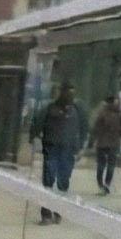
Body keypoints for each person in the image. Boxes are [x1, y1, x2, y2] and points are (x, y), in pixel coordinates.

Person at [33, 82, 84, 223]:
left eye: (72, 93)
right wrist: (36, 138)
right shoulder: (49, 108)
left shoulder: (76, 110)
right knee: (48, 181)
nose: (70, 96)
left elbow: (82, 129)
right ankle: (46, 213)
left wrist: (80, 148)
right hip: (51, 149)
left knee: (63, 182)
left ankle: (58, 210)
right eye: (68, 92)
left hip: (68, 151)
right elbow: (37, 124)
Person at [89, 94, 121, 195]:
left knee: (101, 165)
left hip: (103, 143)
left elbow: (96, 129)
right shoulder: (119, 114)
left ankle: (102, 185)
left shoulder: (102, 113)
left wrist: (92, 141)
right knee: (110, 165)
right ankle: (106, 185)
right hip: (114, 144)